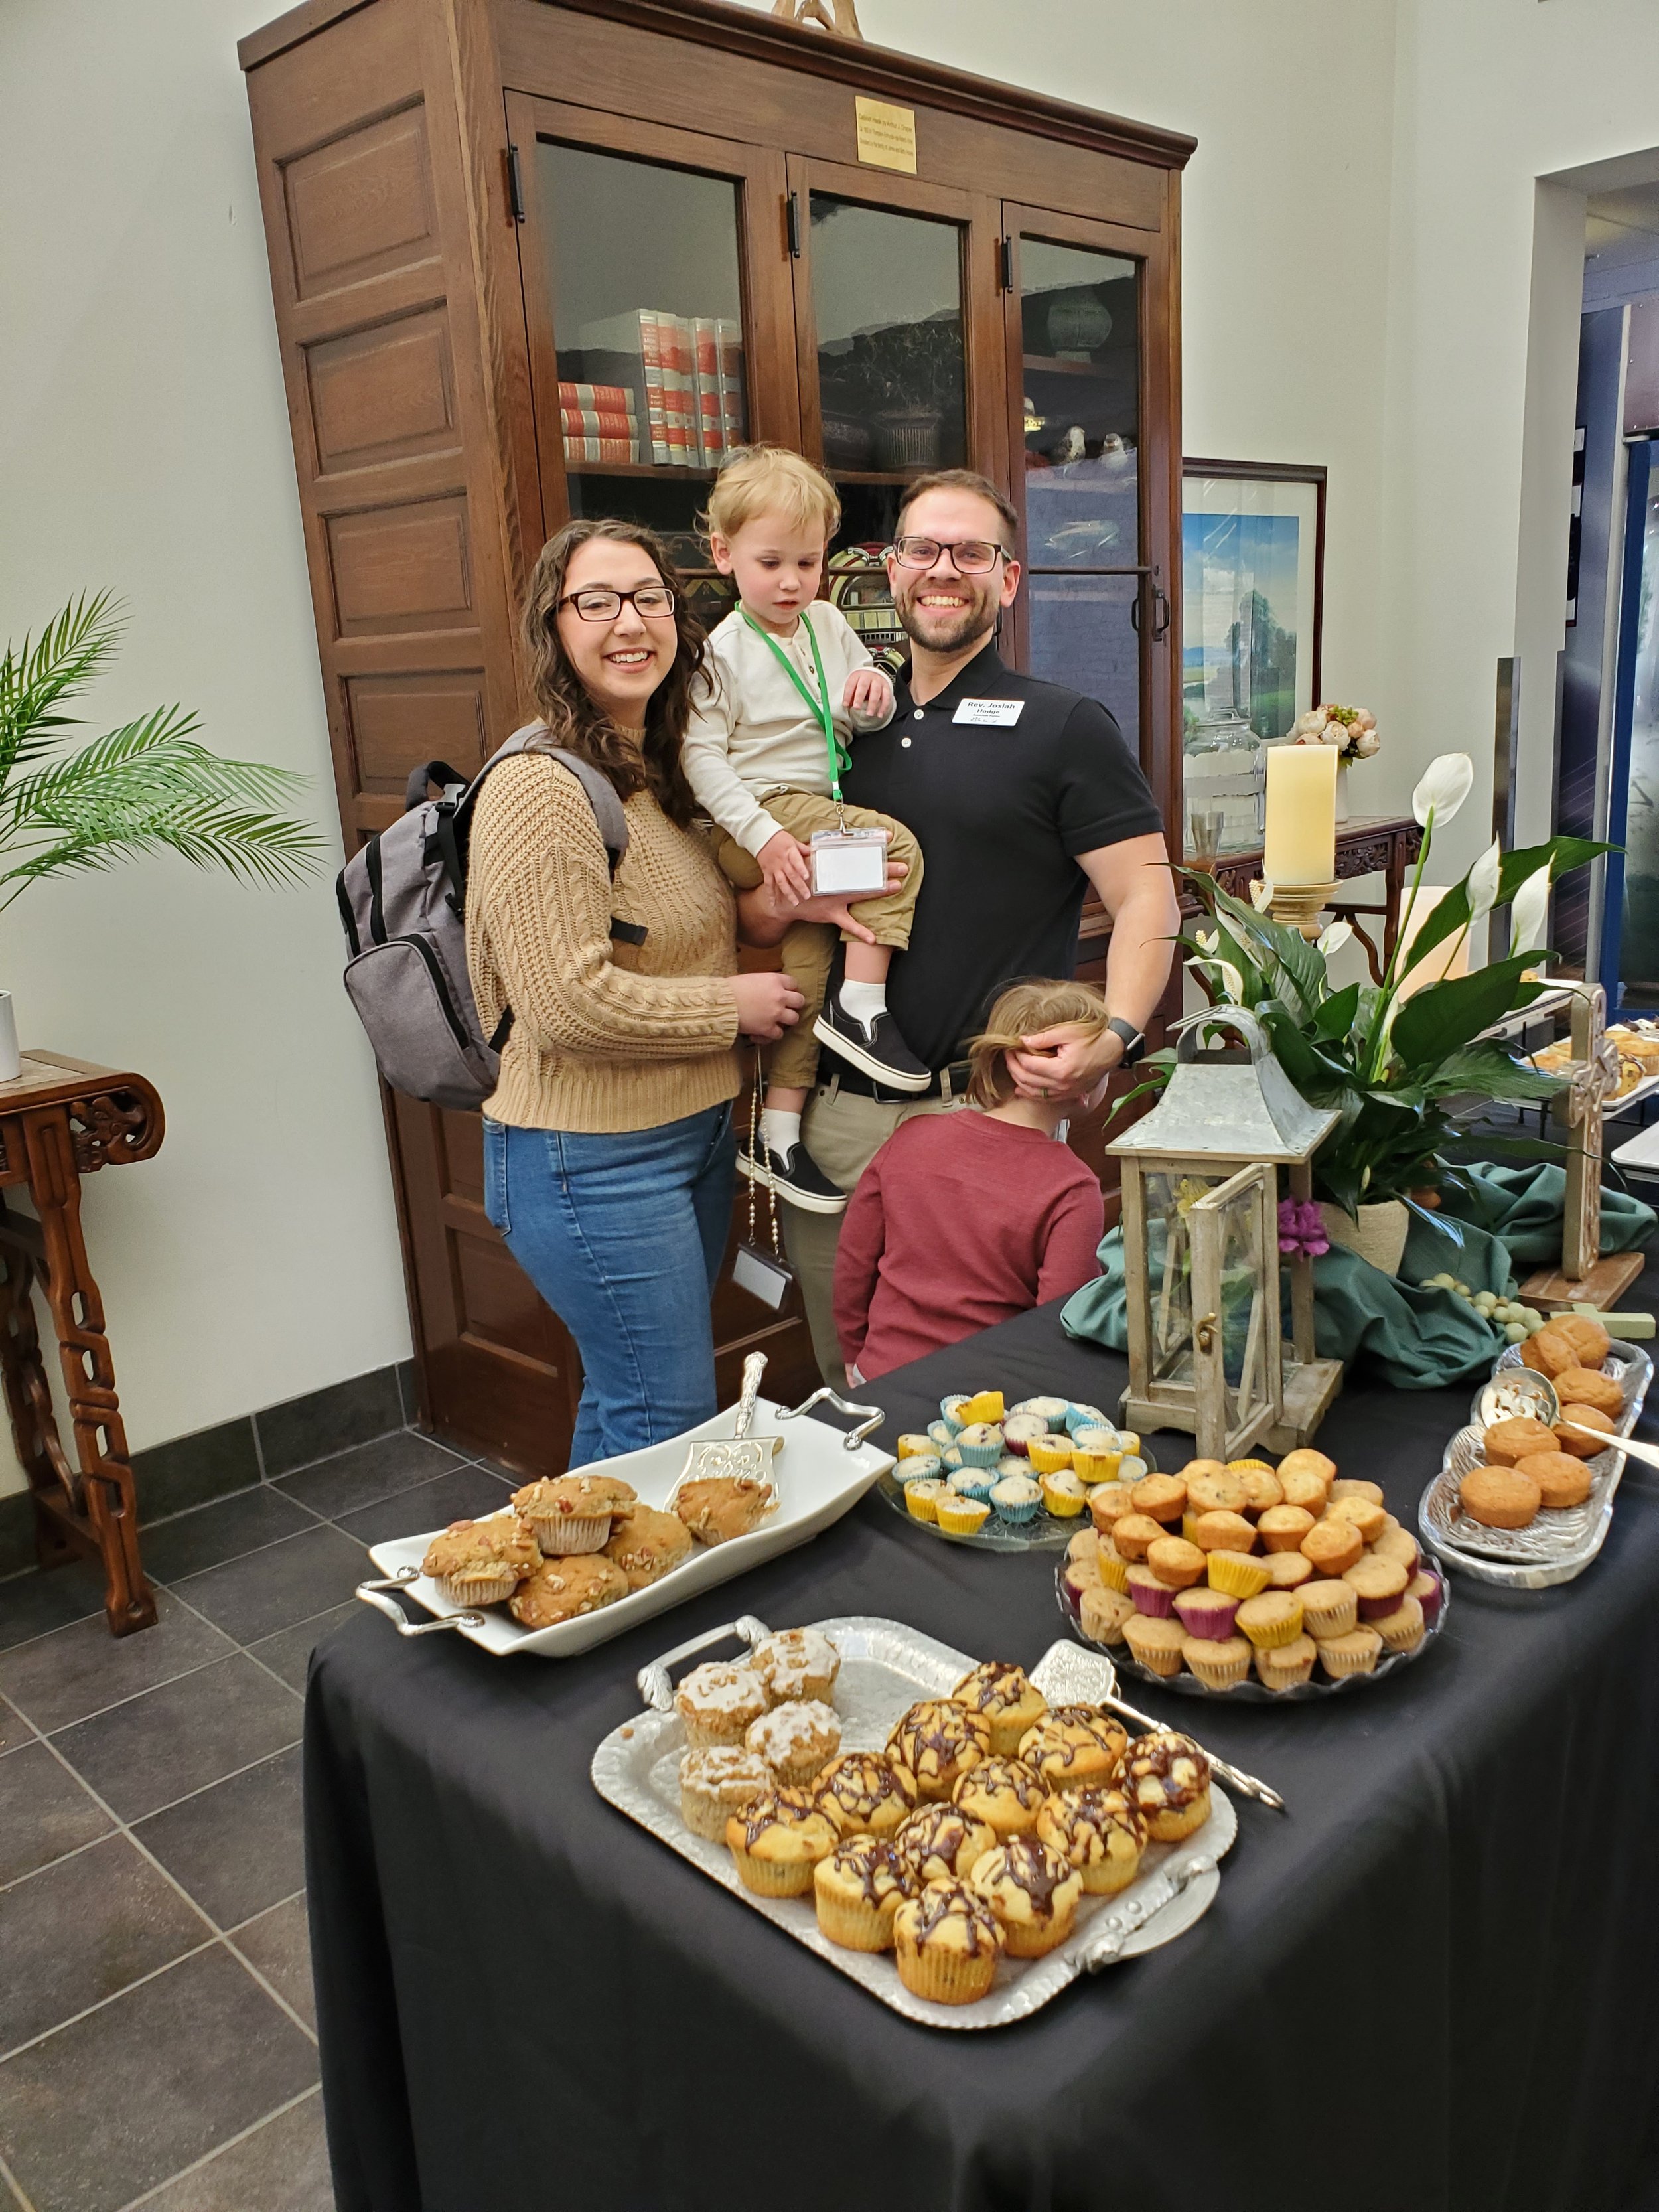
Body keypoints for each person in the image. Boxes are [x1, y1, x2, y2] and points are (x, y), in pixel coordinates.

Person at [783, 467, 1181, 1388]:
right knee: (851, 1373)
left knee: (1004, 1394)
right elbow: (765, 886)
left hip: (988, 1115)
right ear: (890, 570)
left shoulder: (1063, 727)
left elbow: (1146, 898)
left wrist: (1116, 1034)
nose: (943, 569)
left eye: (971, 552)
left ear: (1008, 578)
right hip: (843, 1110)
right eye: (923, 548)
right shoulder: (845, 722)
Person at [464, 516, 808, 1466]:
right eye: (597, 601)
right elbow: (566, 1005)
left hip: (685, 1139)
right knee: (666, 1423)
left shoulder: (651, 772)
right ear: (554, 628)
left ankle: (580, 1599)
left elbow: (680, 934)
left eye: (650, 597)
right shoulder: (540, 787)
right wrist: (733, 1008)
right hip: (592, 1163)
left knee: (633, 1410)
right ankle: (650, 1614)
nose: (630, 622)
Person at [684, 445, 929, 1215]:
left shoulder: (827, 622)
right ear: (724, 556)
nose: (790, 581)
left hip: (813, 805)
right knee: (895, 846)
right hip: (764, 813)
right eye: (769, 563)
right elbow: (699, 757)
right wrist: (762, 838)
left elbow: (862, 714)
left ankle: (778, 1132)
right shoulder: (718, 651)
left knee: (803, 970)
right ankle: (865, 1011)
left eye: (807, 562)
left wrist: (874, 692)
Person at [832, 979, 1110, 1383]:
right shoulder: (1073, 1188)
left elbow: (854, 1264)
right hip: (988, 1401)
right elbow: (1058, 1325)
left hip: (881, 1373)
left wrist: (854, 1353)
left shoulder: (911, 1137)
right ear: (1081, 1086)